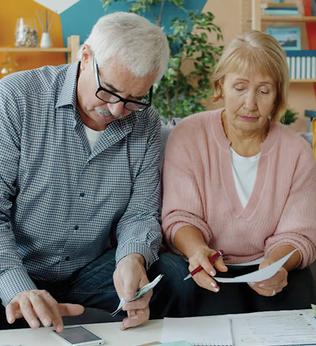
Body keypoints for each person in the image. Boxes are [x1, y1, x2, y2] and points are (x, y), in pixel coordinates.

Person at [0, 12, 171, 331]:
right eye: (110, 91)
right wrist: (18, 288)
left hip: (88, 269)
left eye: (135, 99)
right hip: (17, 266)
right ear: (86, 56)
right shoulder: (16, 99)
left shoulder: (145, 123)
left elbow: (140, 212)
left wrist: (131, 259)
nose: (119, 111)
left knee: (174, 278)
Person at [161, 30, 316, 315]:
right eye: (240, 87)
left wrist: (276, 263)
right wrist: (197, 251)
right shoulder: (187, 136)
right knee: (217, 310)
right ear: (221, 86)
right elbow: (179, 217)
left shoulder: (297, 152)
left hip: (272, 266)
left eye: (264, 91)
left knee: (297, 298)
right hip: (209, 265)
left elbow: (299, 235)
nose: (250, 103)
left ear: (278, 95)